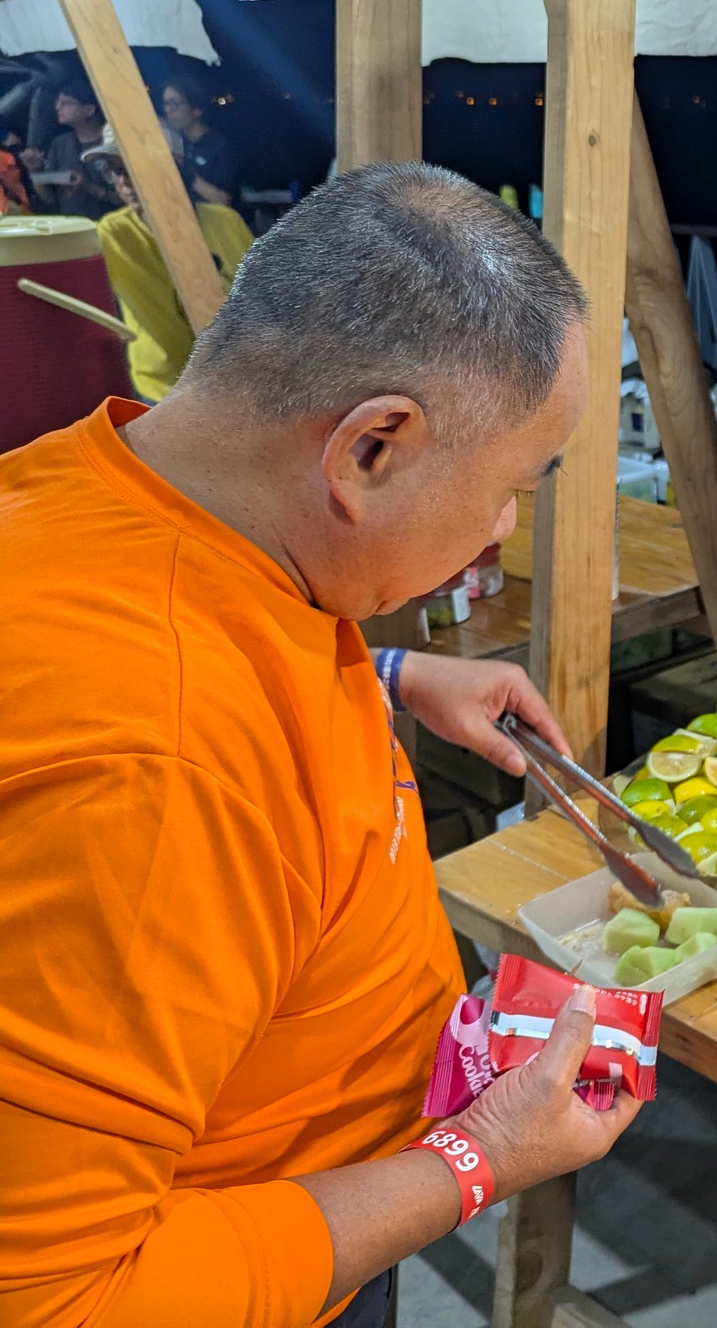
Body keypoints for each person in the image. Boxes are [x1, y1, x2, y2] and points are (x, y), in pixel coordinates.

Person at [0, 163, 641, 1326]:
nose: (501, 526)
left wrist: (388, 675)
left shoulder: (95, 488)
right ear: (369, 450)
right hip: (276, 1252)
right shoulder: (157, 773)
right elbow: (62, 1301)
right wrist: (476, 1157)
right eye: (509, 489)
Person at [90, 127, 255, 401]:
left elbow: (265, 294)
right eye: (115, 170)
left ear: (175, 166)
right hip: (163, 393)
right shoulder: (113, 233)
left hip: (236, 384)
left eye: (133, 166)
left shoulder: (225, 221)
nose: (124, 181)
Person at [18, 75, 116, 219]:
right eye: (58, 101)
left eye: (66, 103)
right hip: (71, 227)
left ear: (89, 110)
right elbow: (50, 201)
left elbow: (127, 198)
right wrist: (34, 171)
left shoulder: (111, 143)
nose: (57, 107)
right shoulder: (60, 143)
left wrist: (88, 187)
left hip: (109, 225)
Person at [162, 73, 241, 208]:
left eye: (174, 104)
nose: (168, 110)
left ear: (197, 110)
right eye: (165, 104)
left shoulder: (219, 147)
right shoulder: (175, 141)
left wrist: (187, 173)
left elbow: (224, 200)